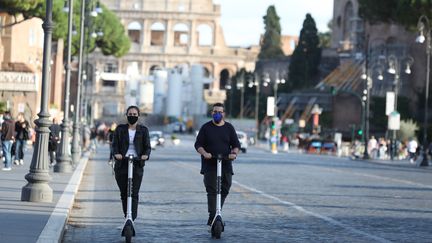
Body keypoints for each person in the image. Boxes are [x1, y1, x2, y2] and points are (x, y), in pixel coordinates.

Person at [194, 103, 241, 227]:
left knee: (225, 188)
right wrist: (204, 153)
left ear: (224, 114)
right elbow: (198, 144)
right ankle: (213, 215)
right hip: (210, 163)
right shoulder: (206, 127)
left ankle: (216, 213)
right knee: (212, 190)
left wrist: (234, 153)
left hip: (225, 162)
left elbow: (236, 144)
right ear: (212, 113)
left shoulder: (229, 128)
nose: (217, 114)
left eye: (220, 112)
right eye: (215, 112)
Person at [112, 106, 151, 221]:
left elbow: (147, 147)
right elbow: (114, 145)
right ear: (126, 115)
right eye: (130, 114)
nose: (132, 116)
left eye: (134, 114)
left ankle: (131, 218)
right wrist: (116, 154)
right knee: (124, 193)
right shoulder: (120, 129)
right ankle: (126, 216)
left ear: (138, 116)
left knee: (134, 193)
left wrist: (145, 155)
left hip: (137, 163)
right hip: (122, 163)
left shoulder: (143, 130)